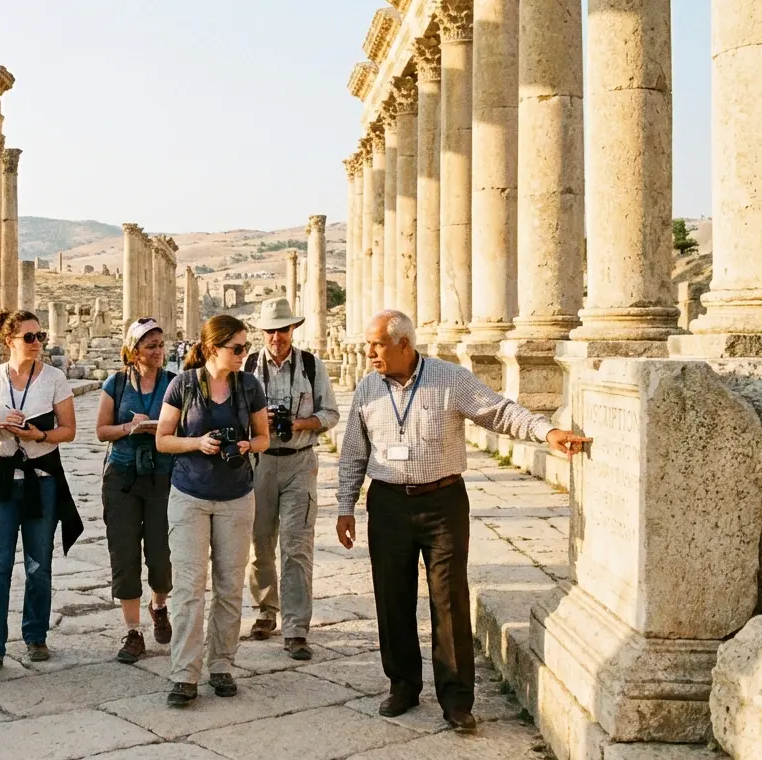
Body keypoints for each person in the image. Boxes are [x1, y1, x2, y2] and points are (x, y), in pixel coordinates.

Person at [336, 310, 590, 733]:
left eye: (377, 344)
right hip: (388, 504)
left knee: (449, 598)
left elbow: (499, 412)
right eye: (368, 344)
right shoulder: (367, 387)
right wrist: (345, 506)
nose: (369, 352)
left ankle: (456, 699)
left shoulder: (448, 379)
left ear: (404, 344)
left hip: (442, 503)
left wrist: (546, 432)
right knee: (392, 596)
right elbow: (352, 453)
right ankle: (403, 685)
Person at [155, 314, 270, 708]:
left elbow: (264, 439)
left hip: (237, 496)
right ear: (211, 348)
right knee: (188, 587)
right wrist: (197, 443)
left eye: (246, 348)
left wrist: (245, 447)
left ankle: (221, 664)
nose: (243, 355)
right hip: (190, 495)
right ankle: (184, 673)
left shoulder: (249, 386)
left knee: (228, 584)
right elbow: (163, 440)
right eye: (236, 348)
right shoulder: (183, 385)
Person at [0, 309, 83, 672]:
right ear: (9, 340)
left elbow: (69, 430)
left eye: (40, 336)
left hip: (42, 480)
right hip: (0, 479)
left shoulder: (54, 378)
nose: (37, 343)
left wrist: (38, 435)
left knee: (39, 565)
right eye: (29, 337)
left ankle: (36, 636)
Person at [243, 298, 340, 659]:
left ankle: (296, 627)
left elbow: (330, 413)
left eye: (282, 329)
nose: (276, 337)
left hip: (300, 461)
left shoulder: (312, 366)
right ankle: (266, 611)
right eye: (269, 330)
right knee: (260, 543)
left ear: (292, 329)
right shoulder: (249, 367)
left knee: (297, 546)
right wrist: (260, 424)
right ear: (262, 332)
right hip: (259, 462)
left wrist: (298, 423)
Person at [95, 318, 177, 664]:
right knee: (125, 554)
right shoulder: (115, 384)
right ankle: (133, 632)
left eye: (160, 345)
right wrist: (131, 426)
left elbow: (184, 425)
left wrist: (159, 428)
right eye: (151, 346)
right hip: (123, 476)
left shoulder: (175, 383)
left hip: (163, 475)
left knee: (162, 551)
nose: (158, 352)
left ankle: (158, 605)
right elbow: (102, 431)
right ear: (133, 351)